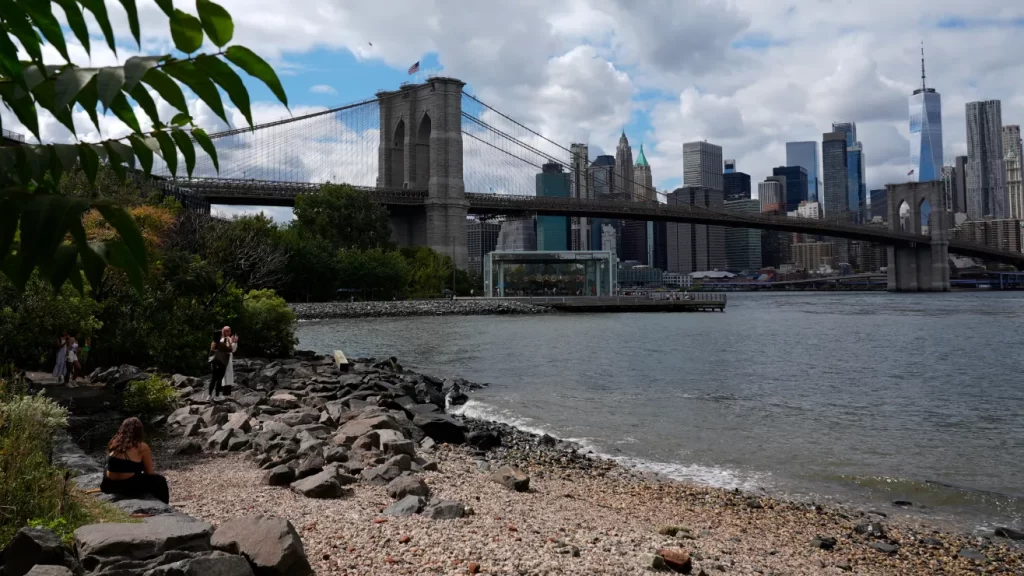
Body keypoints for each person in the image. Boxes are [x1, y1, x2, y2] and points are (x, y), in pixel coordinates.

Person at [100, 417, 169, 504]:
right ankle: (163, 505)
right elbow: (149, 471)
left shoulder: (114, 443)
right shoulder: (141, 447)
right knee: (160, 481)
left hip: (109, 485)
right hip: (127, 488)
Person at [208, 327, 236, 398]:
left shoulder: (213, 343)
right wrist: (230, 342)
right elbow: (230, 350)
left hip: (214, 363)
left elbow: (211, 351)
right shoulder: (221, 344)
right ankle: (217, 395)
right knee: (219, 380)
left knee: (213, 379)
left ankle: (209, 395)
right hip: (221, 363)